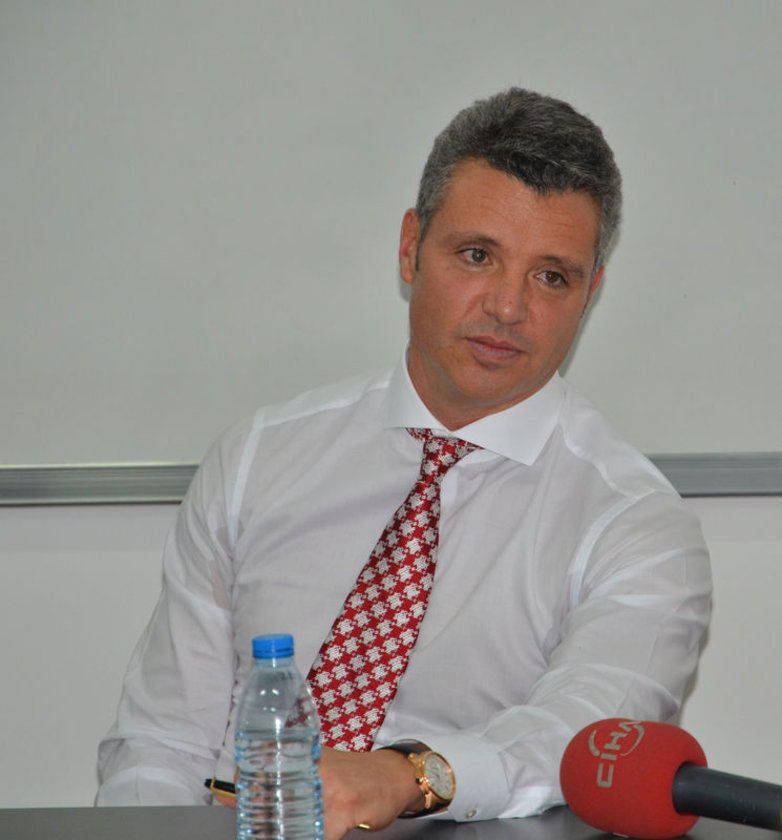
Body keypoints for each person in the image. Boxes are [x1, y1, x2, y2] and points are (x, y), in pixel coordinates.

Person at [96, 88, 711, 840]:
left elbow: (581, 735)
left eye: (552, 276)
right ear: (410, 248)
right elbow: (160, 742)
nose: (508, 306)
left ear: (591, 293)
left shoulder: (638, 525)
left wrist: (402, 776)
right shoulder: (260, 457)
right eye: (477, 256)